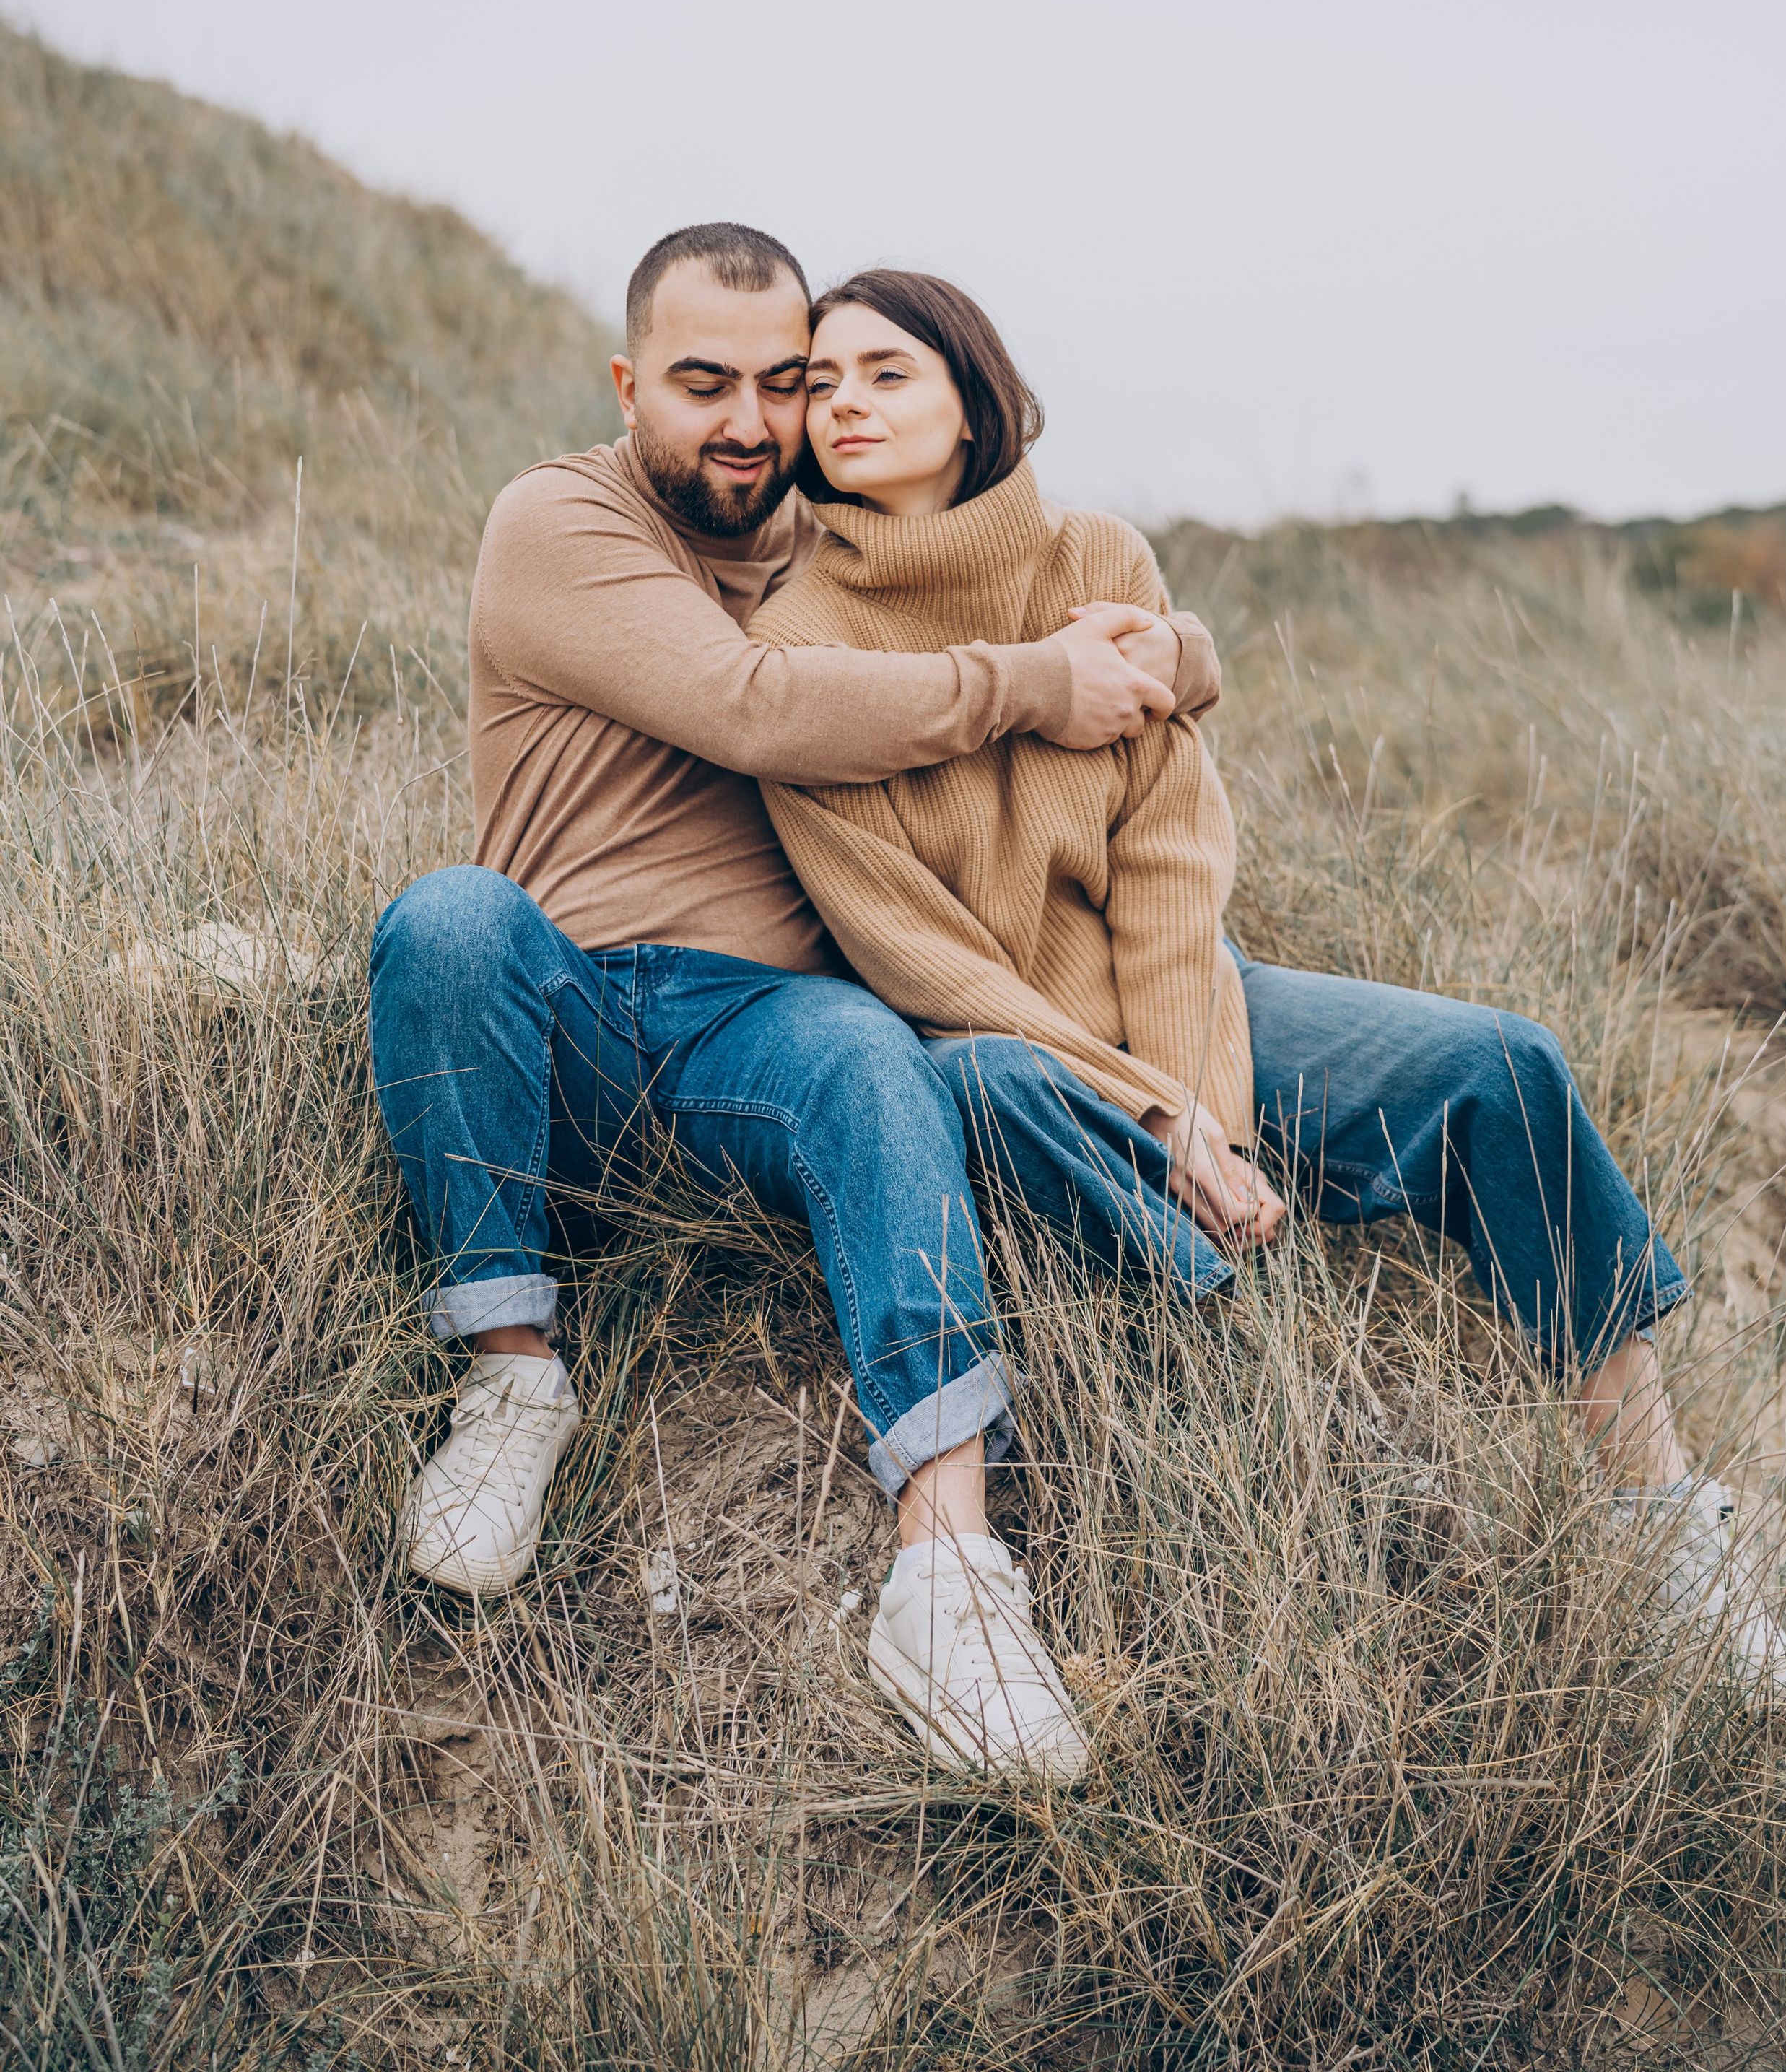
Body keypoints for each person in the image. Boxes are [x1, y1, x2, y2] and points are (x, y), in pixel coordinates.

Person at [743, 268, 1786, 1763]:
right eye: (820, 381)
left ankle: (1653, 1507)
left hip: (1190, 1005)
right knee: (989, 1083)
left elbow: (1171, 868)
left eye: (884, 373)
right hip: (995, 1047)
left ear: (972, 398)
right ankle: (1235, 1348)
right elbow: (909, 952)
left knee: (1499, 1064)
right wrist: (1149, 1111)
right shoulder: (797, 640)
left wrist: (1198, 1098)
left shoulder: (1093, 559)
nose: (840, 402)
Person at [370, 222, 1223, 1784]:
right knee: (446, 921)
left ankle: (947, 1570)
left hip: (754, 1038)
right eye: (704, 385)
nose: (753, 423)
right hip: (557, 1015)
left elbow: (997, 582)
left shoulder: (815, 539)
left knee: (860, 1044)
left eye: (782, 384)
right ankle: (510, 1386)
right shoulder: (559, 519)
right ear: (629, 385)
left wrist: (1172, 645)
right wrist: (1031, 679)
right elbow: (754, 707)